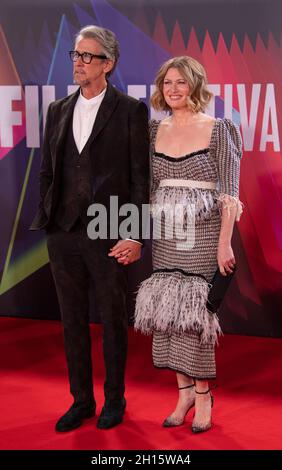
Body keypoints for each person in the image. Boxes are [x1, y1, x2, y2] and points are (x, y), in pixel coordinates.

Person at [30, 25, 149, 431]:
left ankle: (114, 400)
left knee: (113, 319)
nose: (78, 63)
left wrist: (134, 233)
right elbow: (48, 170)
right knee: (72, 319)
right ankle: (81, 400)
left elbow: (139, 178)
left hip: (110, 230)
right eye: (75, 55)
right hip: (63, 232)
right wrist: (50, 215)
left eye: (87, 56)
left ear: (108, 64)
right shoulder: (57, 110)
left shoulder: (131, 110)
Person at [135, 56, 243, 433]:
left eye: (181, 82)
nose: (174, 89)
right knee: (169, 311)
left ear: (196, 86)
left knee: (195, 313)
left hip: (204, 232)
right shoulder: (153, 131)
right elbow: (147, 188)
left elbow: (230, 192)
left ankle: (203, 396)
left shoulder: (219, 130)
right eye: (167, 83)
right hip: (166, 234)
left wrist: (224, 243)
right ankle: (182, 393)